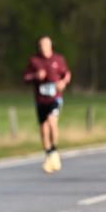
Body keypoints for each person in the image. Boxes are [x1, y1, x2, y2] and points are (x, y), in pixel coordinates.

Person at [23, 36, 71, 173]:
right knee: (44, 130)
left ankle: (54, 150)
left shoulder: (59, 59)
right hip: (40, 100)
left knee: (52, 121)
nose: (42, 48)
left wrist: (63, 83)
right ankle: (49, 156)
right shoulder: (34, 61)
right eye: (40, 46)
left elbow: (67, 74)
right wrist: (35, 76)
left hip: (55, 98)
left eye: (45, 45)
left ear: (50, 46)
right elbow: (25, 78)